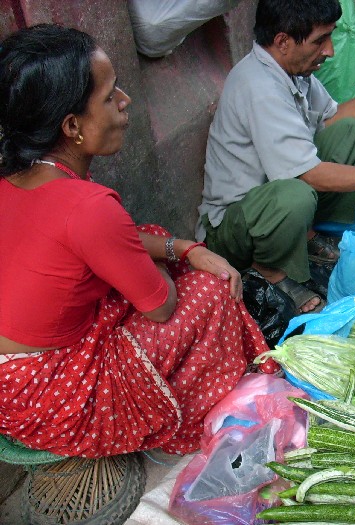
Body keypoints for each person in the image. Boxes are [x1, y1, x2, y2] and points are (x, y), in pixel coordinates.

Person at [0, 24, 273, 460]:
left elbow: (111, 240)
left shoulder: (18, 180)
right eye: (110, 97)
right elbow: (161, 307)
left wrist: (184, 248)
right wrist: (169, 261)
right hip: (59, 399)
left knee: (156, 239)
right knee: (210, 289)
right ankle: (185, 416)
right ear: (72, 126)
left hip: (13, 386)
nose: (125, 101)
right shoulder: (88, 207)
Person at [196, 0, 355, 313]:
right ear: (283, 41)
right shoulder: (259, 87)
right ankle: (268, 270)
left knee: (351, 133)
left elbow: (332, 120)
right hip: (234, 227)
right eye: (320, 40)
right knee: (295, 195)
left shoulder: (292, 71)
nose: (330, 51)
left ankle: (307, 237)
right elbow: (309, 175)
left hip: (276, 201)